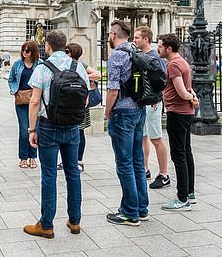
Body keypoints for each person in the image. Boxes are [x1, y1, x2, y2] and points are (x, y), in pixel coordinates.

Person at [23, 30, 89, 239]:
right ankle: (75, 220)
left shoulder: (43, 68)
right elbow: (85, 99)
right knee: (72, 172)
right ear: (65, 45)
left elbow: (34, 101)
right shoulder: (78, 66)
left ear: (48, 46)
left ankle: (46, 224)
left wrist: (32, 129)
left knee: (49, 174)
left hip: (48, 125)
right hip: (72, 127)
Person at [104, 19, 148, 226]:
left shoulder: (116, 56)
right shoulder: (137, 52)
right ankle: (142, 207)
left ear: (113, 35)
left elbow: (113, 90)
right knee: (138, 161)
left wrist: (106, 113)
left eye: (109, 35)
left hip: (122, 112)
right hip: (140, 110)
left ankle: (130, 212)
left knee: (124, 163)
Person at [158, 33, 198, 211]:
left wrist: (190, 98)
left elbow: (182, 91)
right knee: (186, 152)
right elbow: (188, 88)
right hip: (186, 113)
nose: (157, 48)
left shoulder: (173, 64)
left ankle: (182, 199)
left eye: (159, 46)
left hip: (177, 112)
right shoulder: (183, 61)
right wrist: (192, 98)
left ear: (168, 48)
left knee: (178, 155)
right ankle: (189, 192)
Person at [133, 26, 170, 189]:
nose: (134, 41)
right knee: (143, 136)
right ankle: (144, 169)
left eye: (137, 38)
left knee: (156, 138)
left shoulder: (155, 56)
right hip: (142, 101)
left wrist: (157, 96)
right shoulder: (139, 55)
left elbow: (162, 79)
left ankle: (164, 174)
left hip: (153, 102)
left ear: (146, 39)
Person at [64, 42, 101, 173]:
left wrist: (82, 77)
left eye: (67, 51)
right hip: (67, 103)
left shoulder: (81, 66)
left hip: (80, 102)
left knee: (79, 132)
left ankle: (79, 160)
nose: (65, 54)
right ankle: (68, 159)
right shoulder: (63, 65)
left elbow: (97, 74)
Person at [9, 40, 41, 169]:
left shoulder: (39, 64)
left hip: (36, 100)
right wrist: (14, 90)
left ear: (33, 52)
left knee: (34, 129)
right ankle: (23, 157)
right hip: (21, 100)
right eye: (23, 50)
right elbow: (11, 78)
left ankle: (33, 157)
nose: (24, 53)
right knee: (24, 130)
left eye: (27, 50)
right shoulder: (17, 64)